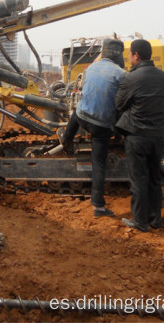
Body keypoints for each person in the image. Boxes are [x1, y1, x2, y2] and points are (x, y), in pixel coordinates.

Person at [58, 38, 126, 218]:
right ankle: (98, 206)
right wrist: (118, 133)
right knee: (99, 164)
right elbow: (120, 106)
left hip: (82, 118)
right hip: (101, 126)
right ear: (119, 55)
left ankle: (66, 141)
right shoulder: (121, 74)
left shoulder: (91, 68)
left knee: (78, 112)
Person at [115, 39, 164, 232]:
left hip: (137, 137)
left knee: (138, 180)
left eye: (129, 54)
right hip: (157, 136)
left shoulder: (131, 78)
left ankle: (139, 222)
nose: (128, 58)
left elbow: (119, 105)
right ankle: (156, 220)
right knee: (155, 179)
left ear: (136, 55)